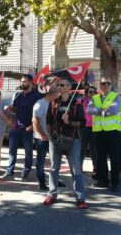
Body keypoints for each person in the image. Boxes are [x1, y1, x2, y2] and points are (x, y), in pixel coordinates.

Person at [43, 78, 88, 209]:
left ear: (69, 87)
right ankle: (52, 194)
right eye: (59, 85)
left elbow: (82, 123)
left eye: (62, 85)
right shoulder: (53, 103)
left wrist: (69, 122)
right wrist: (51, 136)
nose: (60, 87)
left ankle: (80, 198)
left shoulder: (76, 103)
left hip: (72, 140)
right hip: (56, 140)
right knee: (53, 168)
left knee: (75, 170)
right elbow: (48, 121)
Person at [0, 74, 40, 180]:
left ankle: (26, 171)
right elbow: (15, 110)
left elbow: (38, 114)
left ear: (30, 82)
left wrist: (32, 126)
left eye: (24, 81)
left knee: (28, 152)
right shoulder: (17, 95)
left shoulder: (36, 96)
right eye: (21, 81)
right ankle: (9, 171)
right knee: (12, 151)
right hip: (15, 127)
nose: (22, 83)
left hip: (28, 128)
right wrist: (9, 108)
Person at [87, 76, 121, 192]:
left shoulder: (116, 96)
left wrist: (98, 111)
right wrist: (102, 110)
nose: (106, 85)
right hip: (99, 132)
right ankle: (103, 181)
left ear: (111, 85)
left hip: (113, 132)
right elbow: (89, 110)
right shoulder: (95, 97)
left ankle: (114, 182)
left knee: (114, 158)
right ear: (100, 85)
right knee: (101, 158)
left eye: (108, 83)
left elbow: (114, 110)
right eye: (103, 83)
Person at [32, 85, 59, 190]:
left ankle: (54, 181)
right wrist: (43, 135)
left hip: (53, 137)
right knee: (41, 161)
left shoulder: (54, 103)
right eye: (58, 92)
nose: (59, 94)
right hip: (42, 138)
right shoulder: (40, 104)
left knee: (55, 161)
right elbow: (35, 121)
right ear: (52, 93)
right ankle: (41, 182)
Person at [78, 86, 97, 177]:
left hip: (95, 127)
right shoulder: (81, 101)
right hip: (83, 127)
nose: (92, 94)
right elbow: (88, 111)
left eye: (94, 92)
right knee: (82, 148)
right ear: (86, 93)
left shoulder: (98, 100)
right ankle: (79, 167)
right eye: (90, 92)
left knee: (94, 149)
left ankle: (95, 167)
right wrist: (100, 110)